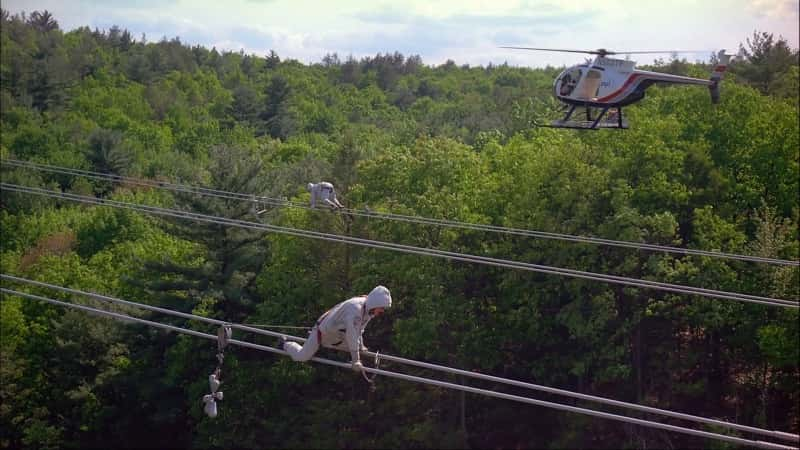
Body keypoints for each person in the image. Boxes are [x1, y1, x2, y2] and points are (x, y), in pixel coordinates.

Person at [282, 285, 392, 372]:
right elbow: (352, 335)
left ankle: (323, 347)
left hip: (336, 335)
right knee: (302, 356)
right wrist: (356, 360)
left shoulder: (368, 310)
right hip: (323, 332)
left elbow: (359, 331)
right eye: (382, 308)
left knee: (356, 348)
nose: (382, 311)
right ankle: (285, 343)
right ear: (375, 303)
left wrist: (361, 348)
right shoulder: (355, 310)